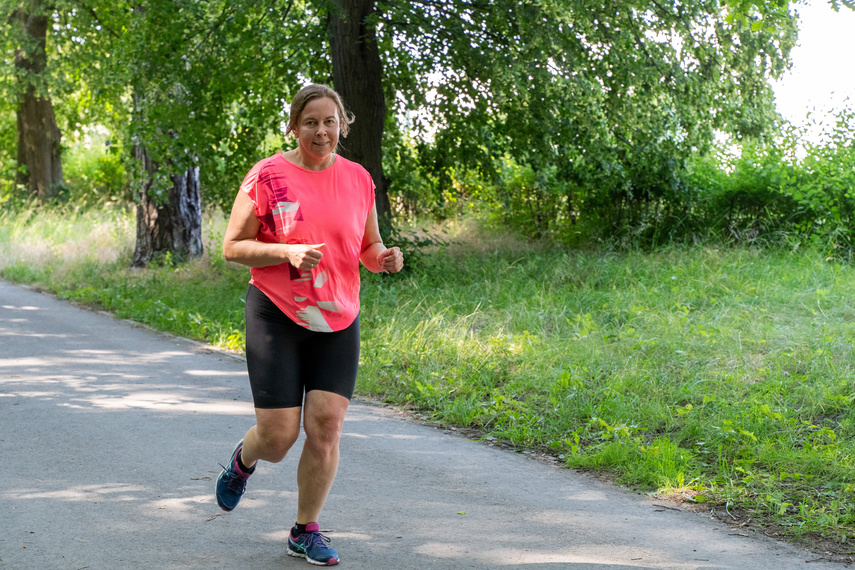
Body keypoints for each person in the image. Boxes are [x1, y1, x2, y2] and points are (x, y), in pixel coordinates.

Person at [216, 83, 403, 567]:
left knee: (325, 428)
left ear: (343, 124)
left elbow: (366, 245)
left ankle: (305, 529)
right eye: (311, 122)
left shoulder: (359, 178)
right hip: (277, 312)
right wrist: (286, 252)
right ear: (294, 127)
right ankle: (244, 461)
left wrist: (382, 259)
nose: (321, 131)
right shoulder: (268, 176)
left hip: (338, 316)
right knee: (279, 437)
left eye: (330, 121)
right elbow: (233, 247)